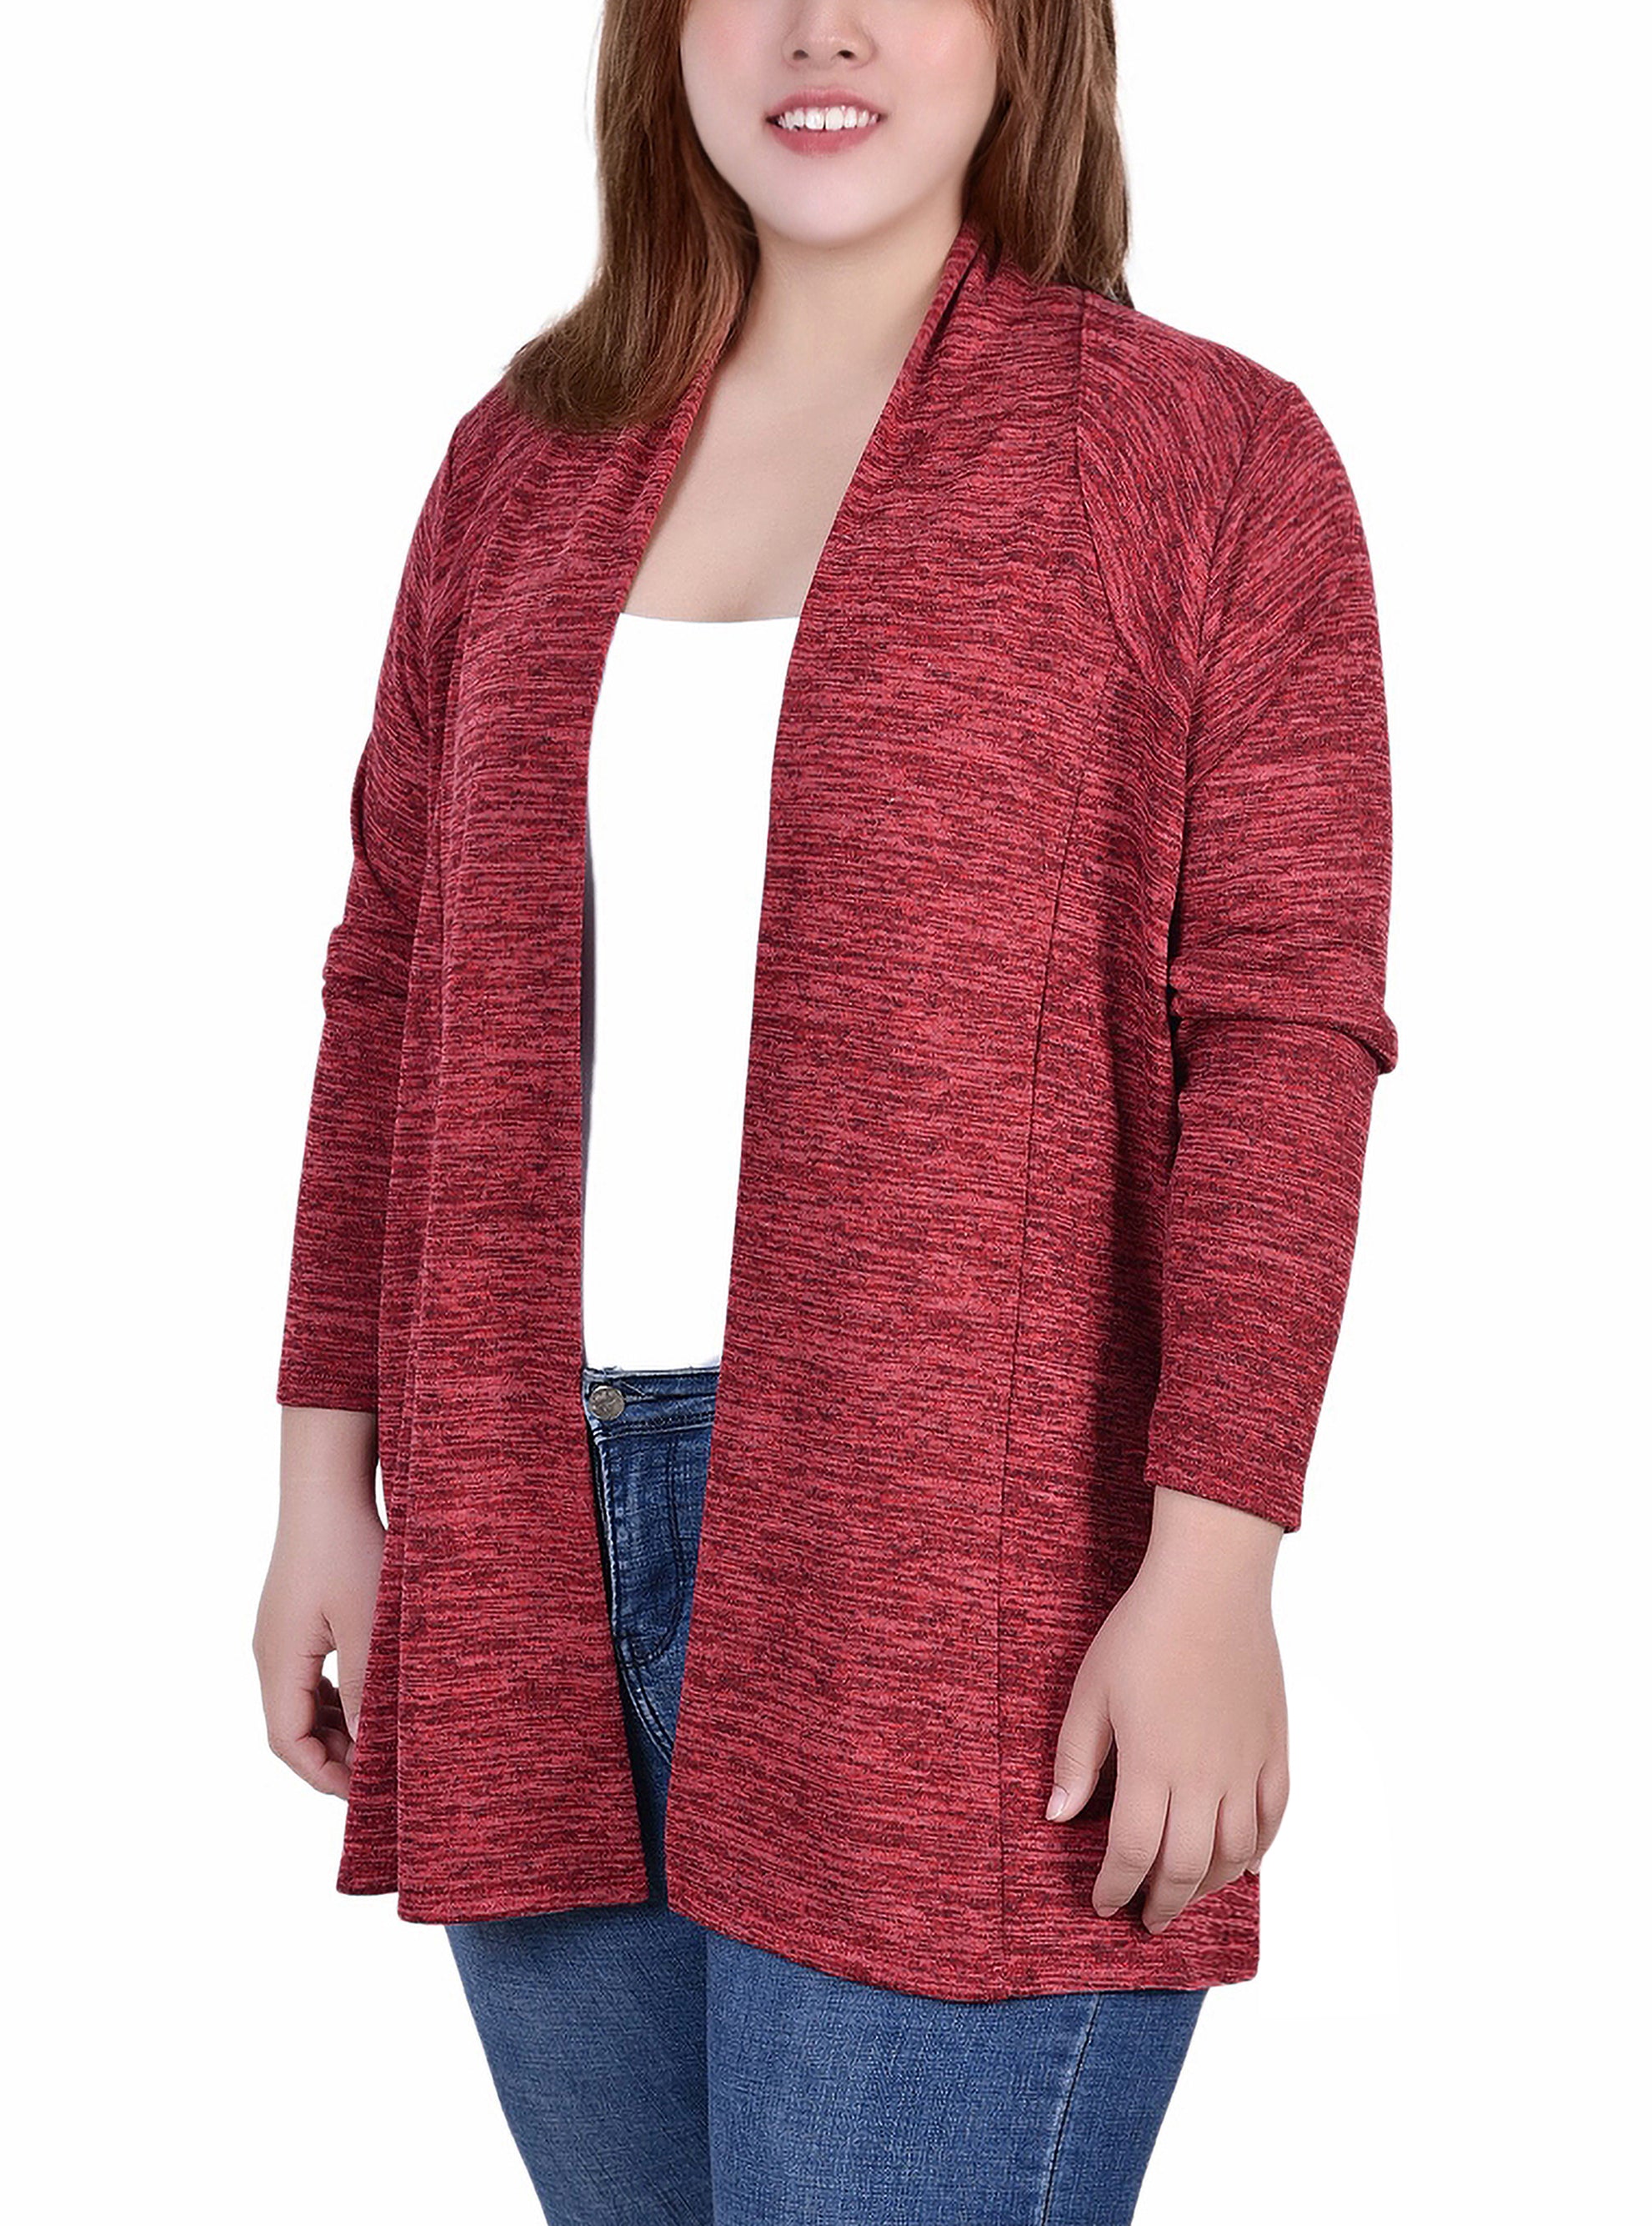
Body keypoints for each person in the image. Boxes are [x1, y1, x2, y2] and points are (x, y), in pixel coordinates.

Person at [255, 3, 1399, 2219]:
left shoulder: (1203, 455)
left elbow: (1279, 1038)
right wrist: (328, 1480)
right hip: (523, 1530)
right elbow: (388, 975)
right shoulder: (522, 458)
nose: (823, 27)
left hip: (973, 1565)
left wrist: (1216, 1562)